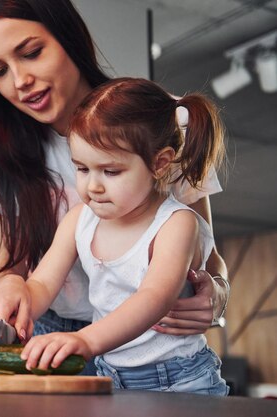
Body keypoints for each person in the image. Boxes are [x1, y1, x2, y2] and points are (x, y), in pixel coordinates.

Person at [0, 0, 230, 374]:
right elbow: (12, 270)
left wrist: (216, 296)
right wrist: (8, 290)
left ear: (69, 38)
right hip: (50, 338)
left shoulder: (161, 125)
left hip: (151, 341)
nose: (20, 81)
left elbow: (207, 258)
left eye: (32, 53)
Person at [19, 77, 228, 395]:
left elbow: (153, 299)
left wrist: (86, 339)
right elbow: (43, 283)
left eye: (111, 171)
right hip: (112, 377)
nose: (93, 187)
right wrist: (22, 309)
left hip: (180, 381)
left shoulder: (177, 224)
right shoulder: (80, 220)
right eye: (82, 169)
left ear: (159, 163)